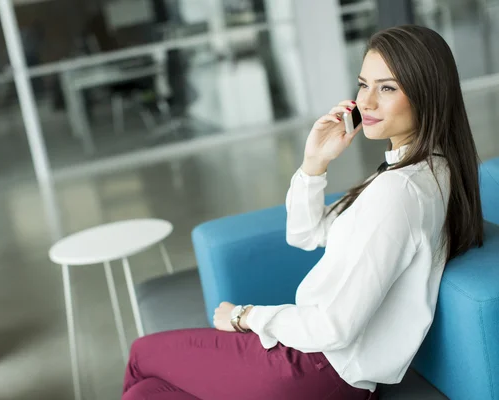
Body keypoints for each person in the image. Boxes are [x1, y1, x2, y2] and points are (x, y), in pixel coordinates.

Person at [121, 25, 484, 400]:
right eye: (363, 85)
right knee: (145, 393)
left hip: (315, 368)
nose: (367, 102)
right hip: (326, 372)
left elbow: (335, 327)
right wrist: (315, 162)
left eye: (387, 88)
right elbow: (306, 234)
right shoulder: (425, 170)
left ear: (428, 94)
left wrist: (244, 317)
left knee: (140, 356)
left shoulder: (400, 190)